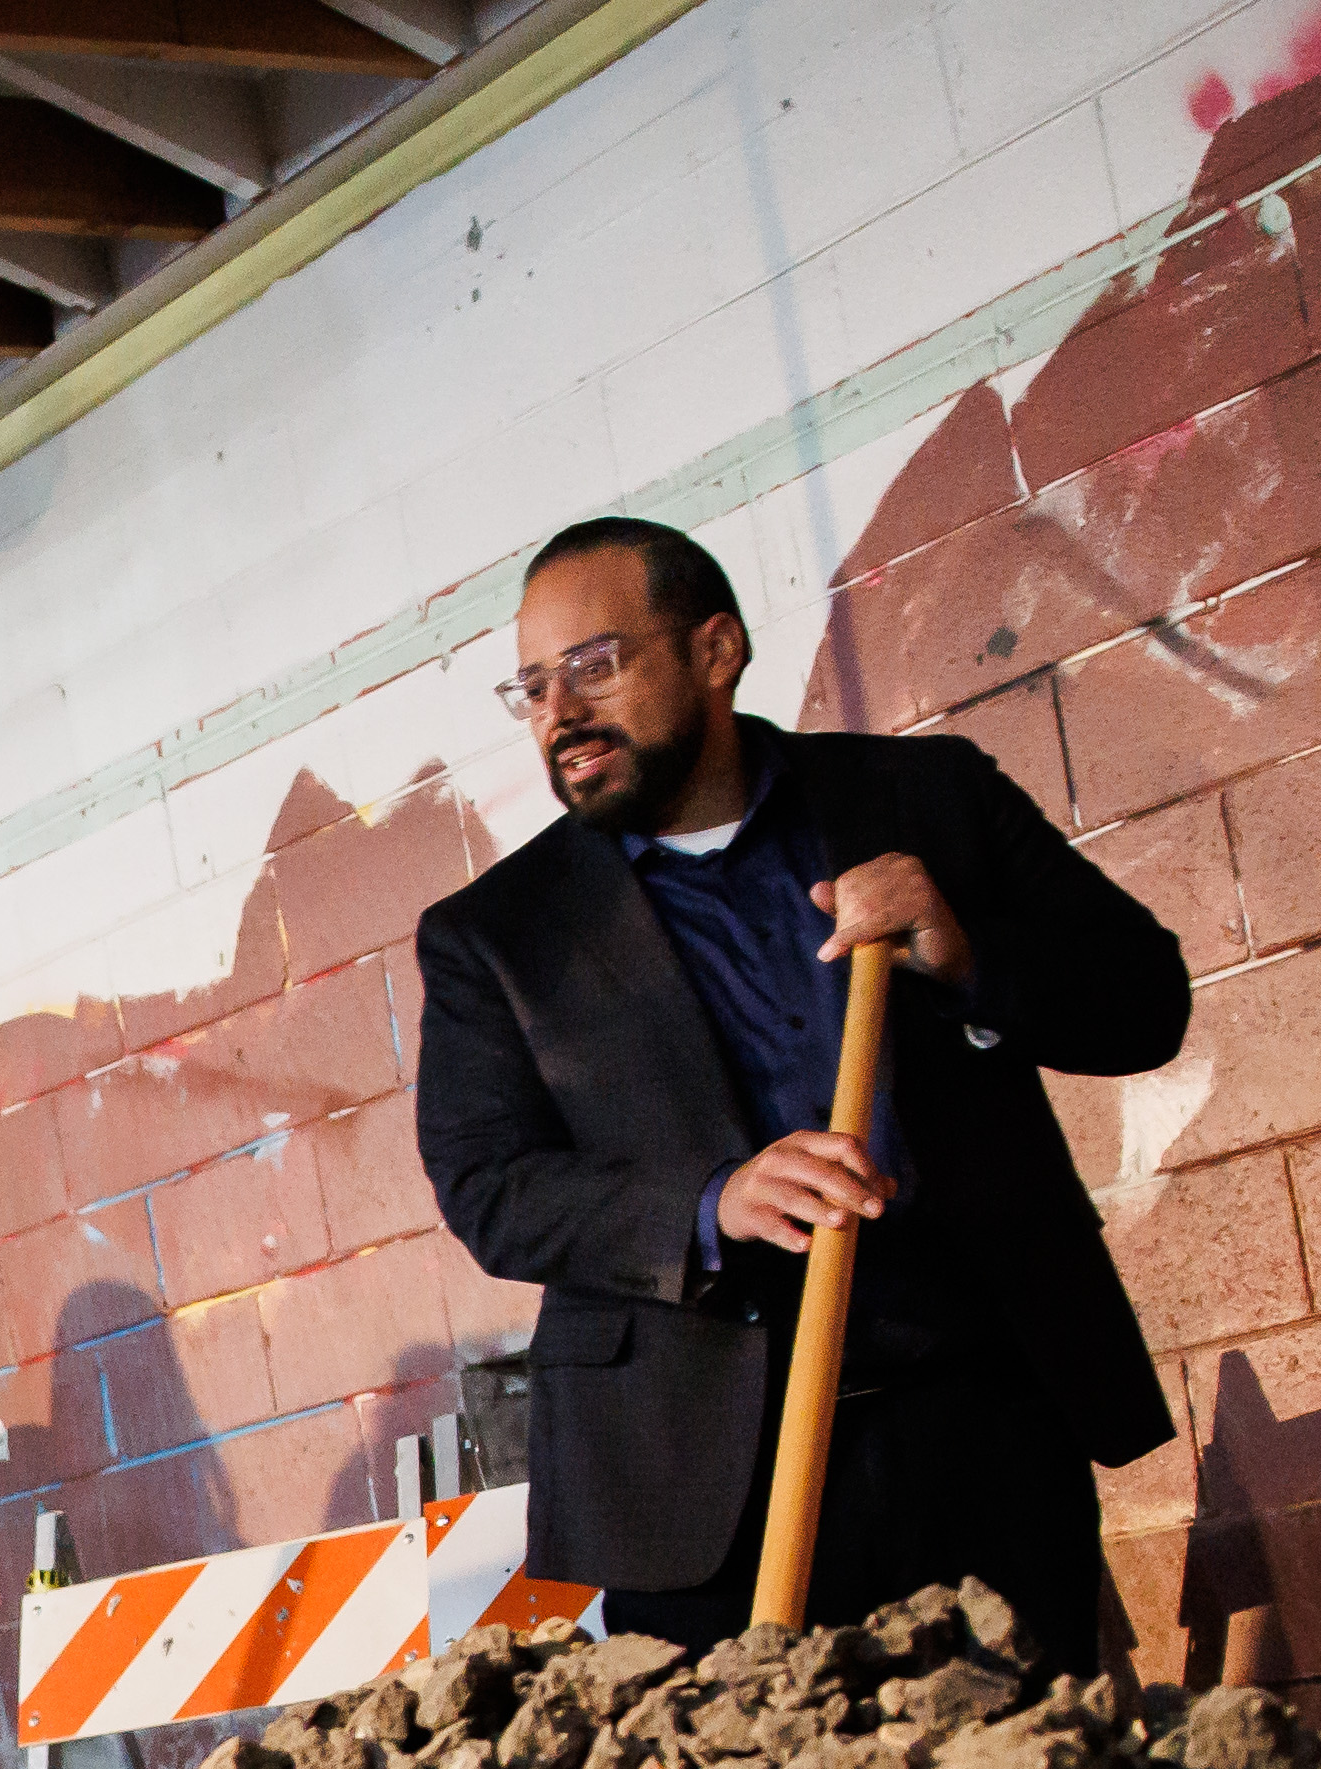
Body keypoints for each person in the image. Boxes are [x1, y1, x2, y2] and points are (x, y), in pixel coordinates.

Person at [412, 517, 1190, 1661]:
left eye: (596, 665)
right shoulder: (498, 935)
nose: (559, 715)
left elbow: (1143, 1000)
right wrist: (711, 1201)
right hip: (701, 1491)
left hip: (976, 1425)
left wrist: (964, 954)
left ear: (716, 649)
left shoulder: (925, 803)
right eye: (530, 688)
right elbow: (490, 1186)